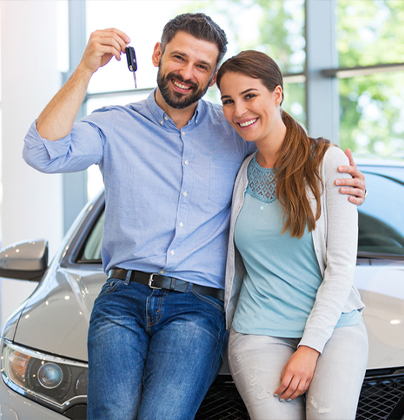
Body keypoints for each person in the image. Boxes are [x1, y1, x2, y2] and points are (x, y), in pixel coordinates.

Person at [23, 13, 366, 420]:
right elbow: (41, 152)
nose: (187, 73)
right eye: (179, 58)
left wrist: (341, 178)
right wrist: (85, 70)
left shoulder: (234, 131)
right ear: (157, 54)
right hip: (122, 298)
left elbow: (288, 158)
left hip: (196, 306)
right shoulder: (114, 126)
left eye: (202, 66)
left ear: (212, 74)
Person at [216, 50, 368, 420]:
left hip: (334, 330)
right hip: (257, 332)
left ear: (277, 95)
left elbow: (341, 267)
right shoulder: (239, 173)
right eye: (228, 100)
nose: (239, 110)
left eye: (250, 95)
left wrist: (310, 347)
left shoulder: (327, 162)